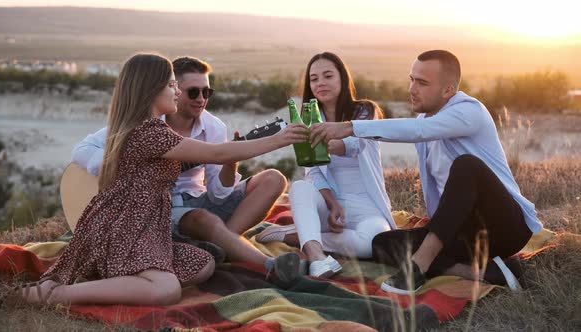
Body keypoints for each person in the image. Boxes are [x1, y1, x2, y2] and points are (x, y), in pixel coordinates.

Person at [0, 53, 308, 308]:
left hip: (150, 222)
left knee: (203, 264)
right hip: (128, 224)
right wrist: (278, 140)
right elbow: (219, 152)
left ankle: (123, 280)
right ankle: (53, 296)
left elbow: (220, 166)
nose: (177, 92)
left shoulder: (148, 128)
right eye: (173, 86)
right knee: (167, 290)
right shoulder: (151, 132)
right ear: (151, 90)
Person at [308, 49, 542, 293]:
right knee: (382, 243)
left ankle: (418, 267)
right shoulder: (423, 119)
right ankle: (485, 273)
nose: (412, 89)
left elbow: (419, 131)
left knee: (466, 165)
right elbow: (418, 128)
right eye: (411, 79)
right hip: (460, 230)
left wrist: (348, 127)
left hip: (504, 227)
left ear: (448, 91)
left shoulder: (470, 112)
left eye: (422, 82)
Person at [71, 56, 291, 267]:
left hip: (197, 199)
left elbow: (219, 194)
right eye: (193, 92)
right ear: (170, 88)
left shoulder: (214, 127)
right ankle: (260, 261)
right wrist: (129, 162)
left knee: (274, 179)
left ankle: (226, 245)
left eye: (207, 92)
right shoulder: (147, 125)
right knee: (203, 219)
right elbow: (81, 151)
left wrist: (230, 161)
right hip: (160, 208)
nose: (201, 99)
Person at [256, 52, 396, 278]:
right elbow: (312, 170)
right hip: (328, 202)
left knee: (371, 244)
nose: (320, 83)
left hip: (365, 205)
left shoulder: (365, 111)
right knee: (301, 186)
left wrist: (322, 142)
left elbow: (354, 145)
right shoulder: (307, 117)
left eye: (328, 76)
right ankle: (317, 257)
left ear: (342, 78)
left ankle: (296, 235)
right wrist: (332, 204)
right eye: (314, 79)